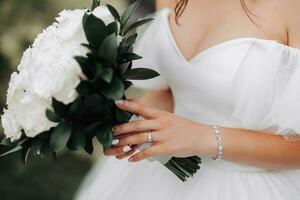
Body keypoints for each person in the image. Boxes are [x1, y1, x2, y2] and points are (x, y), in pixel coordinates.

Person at [76, 0, 300, 199]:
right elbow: (176, 89)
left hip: (251, 183)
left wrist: (205, 137)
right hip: (158, 176)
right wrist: (131, 122)